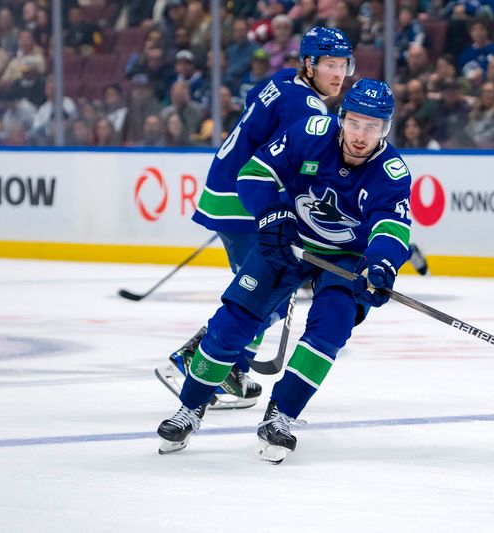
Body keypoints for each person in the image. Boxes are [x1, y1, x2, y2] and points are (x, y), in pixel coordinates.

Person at [156, 78, 412, 464]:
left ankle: (282, 415)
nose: (361, 136)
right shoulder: (309, 134)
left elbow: (391, 229)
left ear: (385, 129)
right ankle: (190, 407)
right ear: (342, 118)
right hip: (290, 242)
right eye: (356, 123)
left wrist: (380, 265)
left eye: (373, 127)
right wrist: (273, 213)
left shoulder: (391, 172)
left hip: (346, 259)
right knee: (234, 320)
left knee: (330, 329)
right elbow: (255, 173)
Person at [158, 27, 357, 411]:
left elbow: (255, 108)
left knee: (265, 287)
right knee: (267, 287)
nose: (338, 74)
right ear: (310, 65)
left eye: (343, 65)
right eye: (330, 65)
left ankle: (230, 365)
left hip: (226, 191)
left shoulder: (284, 79)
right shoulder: (308, 109)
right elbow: (285, 163)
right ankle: (199, 361)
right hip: (244, 199)